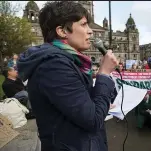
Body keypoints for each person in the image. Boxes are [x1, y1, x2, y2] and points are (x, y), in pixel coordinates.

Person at [17, 2, 118, 151]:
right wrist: (104, 73)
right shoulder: (53, 66)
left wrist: (99, 103)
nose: (90, 31)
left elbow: (81, 106)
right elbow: (93, 120)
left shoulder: (71, 61)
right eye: (83, 25)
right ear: (62, 31)